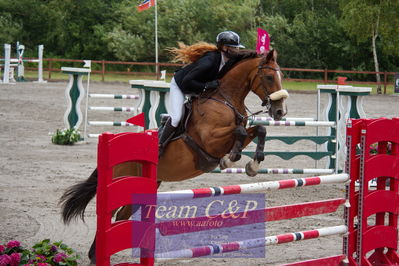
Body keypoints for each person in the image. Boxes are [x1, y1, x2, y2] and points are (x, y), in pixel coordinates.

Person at [158, 30, 245, 154]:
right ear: (225, 48)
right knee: (176, 117)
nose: (237, 51)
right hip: (181, 85)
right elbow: (187, 82)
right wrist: (207, 86)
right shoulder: (209, 61)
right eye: (234, 48)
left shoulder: (228, 61)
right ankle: (159, 145)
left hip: (198, 86)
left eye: (237, 48)